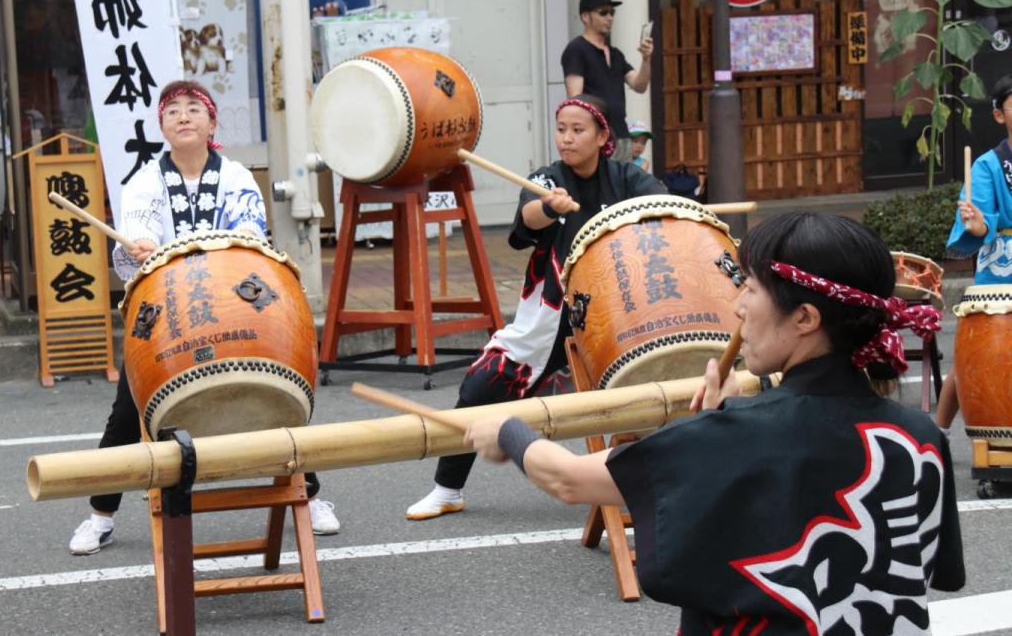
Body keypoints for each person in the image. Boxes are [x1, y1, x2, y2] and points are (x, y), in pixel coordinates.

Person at [467, 212, 964, 634]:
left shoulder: (734, 435)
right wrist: (720, 424)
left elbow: (569, 479)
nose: (737, 306)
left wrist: (508, 430)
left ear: (806, 319)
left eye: (749, 289)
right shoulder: (921, 438)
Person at [68, 80, 339, 554]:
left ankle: (308, 496)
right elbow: (134, 240)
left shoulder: (234, 175)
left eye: (195, 108)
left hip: (228, 302)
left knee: (275, 387)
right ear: (162, 127)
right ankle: (100, 513)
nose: (184, 116)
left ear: (212, 123)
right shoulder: (145, 182)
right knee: (128, 410)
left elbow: (250, 235)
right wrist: (138, 247)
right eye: (173, 111)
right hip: (167, 310)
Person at [405, 94, 665, 520]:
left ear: (603, 136)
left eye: (578, 130)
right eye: (561, 129)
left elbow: (660, 206)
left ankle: (641, 487)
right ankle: (447, 488)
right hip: (553, 313)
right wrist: (548, 207)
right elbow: (526, 221)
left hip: (615, 312)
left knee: (643, 393)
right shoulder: (549, 178)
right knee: (482, 387)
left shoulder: (627, 178)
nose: (566, 138)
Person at [936, 73, 1012, 430]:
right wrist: (979, 225)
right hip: (1002, 267)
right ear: (1000, 115)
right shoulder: (987, 166)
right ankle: (937, 432)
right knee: (983, 356)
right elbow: (979, 223)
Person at [561, 0, 653, 162]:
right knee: (602, 188)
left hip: (622, 136)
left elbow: (640, 86)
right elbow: (576, 100)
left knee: (623, 188)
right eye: (603, 12)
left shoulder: (616, 53)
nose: (609, 18)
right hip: (598, 138)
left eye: (612, 12)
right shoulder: (576, 50)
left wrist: (646, 59)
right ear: (585, 17)